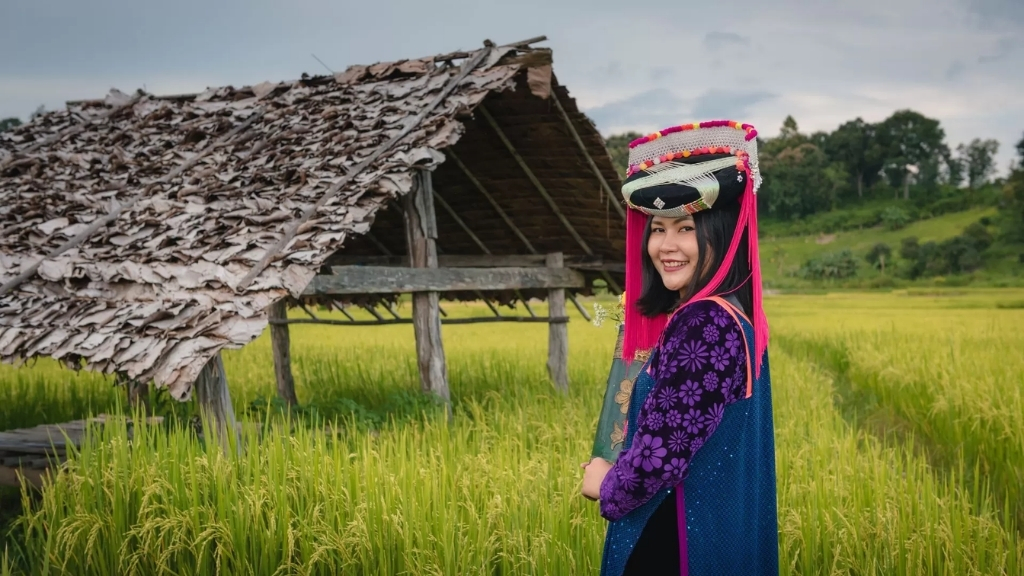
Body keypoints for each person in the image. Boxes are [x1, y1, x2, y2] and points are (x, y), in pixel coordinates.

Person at [581, 120, 778, 575]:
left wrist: (605, 485)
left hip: (676, 544)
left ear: (722, 232)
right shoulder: (732, 315)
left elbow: (659, 457)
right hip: (715, 536)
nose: (666, 246)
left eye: (685, 228)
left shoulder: (705, 324)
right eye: (658, 229)